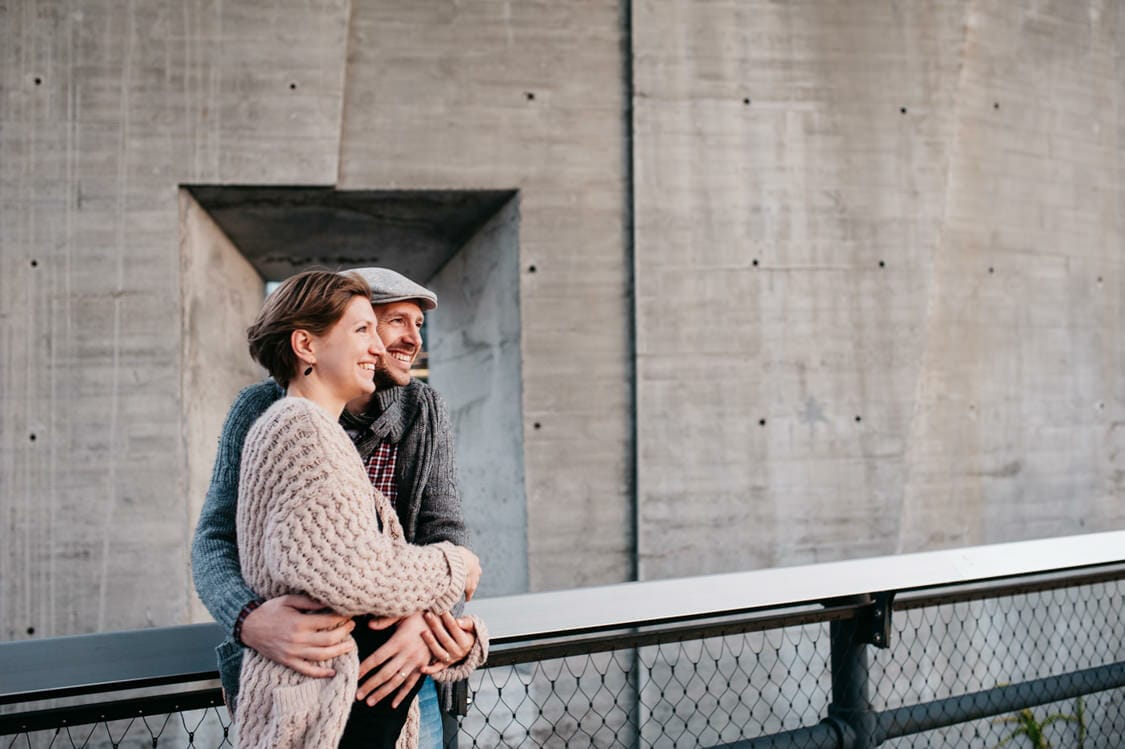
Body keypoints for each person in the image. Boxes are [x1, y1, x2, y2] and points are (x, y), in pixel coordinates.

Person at [191, 268, 481, 746]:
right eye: (389, 323)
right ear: (316, 341)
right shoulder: (269, 410)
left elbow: (444, 530)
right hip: (303, 669)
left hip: (408, 663)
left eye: (418, 325)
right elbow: (216, 537)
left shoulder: (422, 410)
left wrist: (424, 622)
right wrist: (247, 618)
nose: (411, 340)